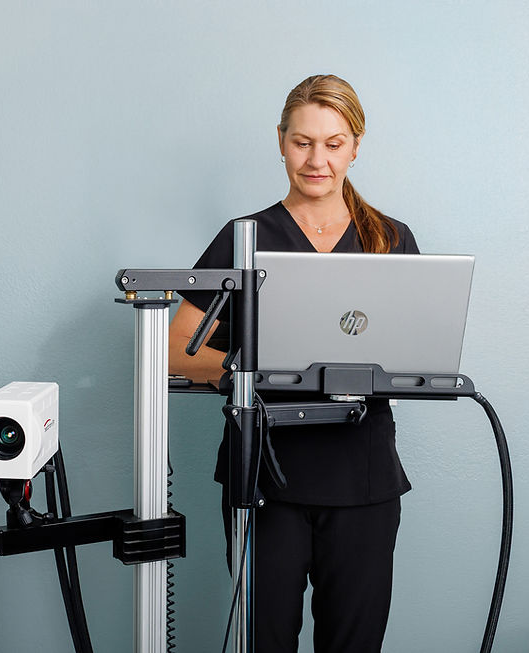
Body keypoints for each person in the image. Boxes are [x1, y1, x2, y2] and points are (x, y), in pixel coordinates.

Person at [171, 74, 420, 652]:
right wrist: (252, 370)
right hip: (265, 477)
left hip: (362, 480)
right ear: (281, 141)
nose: (317, 160)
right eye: (303, 142)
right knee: (266, 642)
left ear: (355, 147)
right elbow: (177, 351)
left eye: (333, 144)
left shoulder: (388, 239)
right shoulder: (244, 237)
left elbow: (412, 357)